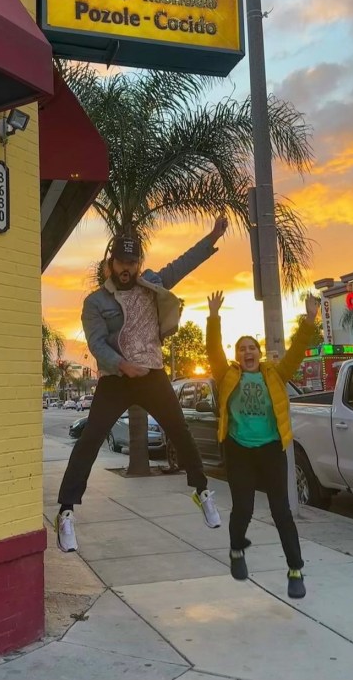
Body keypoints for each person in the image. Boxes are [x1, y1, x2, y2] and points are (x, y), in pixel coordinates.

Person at [55, 216, 229, 552]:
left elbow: (182, 264)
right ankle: (66, 511)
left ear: (138, 265)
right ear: (111, 263)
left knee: (180, 430)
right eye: (122, 262)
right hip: (117, 378)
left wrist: (211, 238)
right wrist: (121, 364)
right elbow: (96, 343)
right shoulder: (95, 302)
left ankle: (202, 490)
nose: (127, 269)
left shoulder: (152, 284)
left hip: (151, 375)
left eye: (133, 263)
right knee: (90, 439)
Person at [206, 290, 320, 598]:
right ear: (238, 356)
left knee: (281, 511)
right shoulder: (227, 375)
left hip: (271, 448)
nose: (247, 352)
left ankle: (295, 570)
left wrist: (310, 319)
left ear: (259, 351)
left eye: (251, 347)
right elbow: (213, 351)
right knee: (242, 508)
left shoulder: (275, 374)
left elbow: (296, 351)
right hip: (239, 449)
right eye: (242, 349)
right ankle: (236, 550)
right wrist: (214, 317)